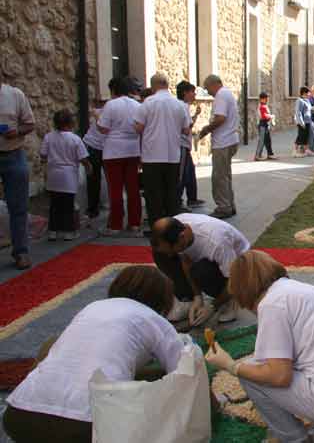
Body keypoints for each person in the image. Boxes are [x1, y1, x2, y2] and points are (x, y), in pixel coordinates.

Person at [204, 250, 314, 443]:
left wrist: (230, 366)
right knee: (265, 365)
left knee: (249, 373)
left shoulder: (272, 304)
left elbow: (279, 376)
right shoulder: (296, 289)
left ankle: (295, 439)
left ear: (243, 291)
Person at [3, 266, 183, 443]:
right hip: (85, 424)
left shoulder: (92, 308)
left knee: (52, 345)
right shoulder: (153, 319)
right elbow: (185, 371)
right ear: (162, 300)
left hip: (18, 416)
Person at [150, 213, 250, 325]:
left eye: (172, 250)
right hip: (207, 260)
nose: (170, 255)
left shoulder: (217, 243)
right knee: (160, 254)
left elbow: (234, 280)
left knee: (202, 270)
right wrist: (197, 296)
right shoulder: (176, 228)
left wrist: (213, 306)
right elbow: (186, 261)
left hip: (239, 268)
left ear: (182, 237)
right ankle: (186, 299)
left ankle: (228, 300)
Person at [134, 72, 191, 227]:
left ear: (154, 86)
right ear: (167, 84)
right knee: (172, 193)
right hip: (172, 155)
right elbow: (186, 130)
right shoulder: (179, 104)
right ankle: (171, 227)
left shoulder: (148, 103)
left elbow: (138, 127)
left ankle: (157, 227)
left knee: (154, 195)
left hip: (152, 155)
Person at [97, 77, 142, 236]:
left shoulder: (111, 104)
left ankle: (115, 224)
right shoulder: (137, 105)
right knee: (133, 188)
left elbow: (103, 127)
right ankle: (134, 222)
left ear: (113, 90)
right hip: (133, 149)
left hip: (114, 150)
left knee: (115, 189)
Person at [40, 110, 91, 241]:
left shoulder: (48, 137)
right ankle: (68, 231)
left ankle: (53, 231)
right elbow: (83, 158)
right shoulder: (75, 139)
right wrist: (88, 166)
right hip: (68, 175)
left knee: (54, 205)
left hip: (53, 174)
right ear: (71, 123)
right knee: (68, 205)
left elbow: (43, 155)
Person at [0, 83, 35, 269]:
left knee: (18, 206)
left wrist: (17, 132)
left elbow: (29, 124)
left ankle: (21, 251)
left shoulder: (14, 94)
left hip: (13, 153)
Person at [198, 75, 240, 220]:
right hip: (229, 139)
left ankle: (224, 207)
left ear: (214, 84)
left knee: (219, 177)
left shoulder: (221, 95)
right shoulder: (227, 94)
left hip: (223, 141)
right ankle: (229, 205)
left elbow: (220, 118)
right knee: (225, 175)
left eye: (207, 88)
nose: (207, 92)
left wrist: (206, 129)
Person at [176, 81, 204, 210]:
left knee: (190, 172)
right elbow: (186, 129)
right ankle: (178, 201)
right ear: (185, 93)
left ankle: (192, 198)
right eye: (192, 92)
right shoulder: (182, 107)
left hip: (185, 146)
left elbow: (187, 125)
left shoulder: (184, 107)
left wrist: (196, 115)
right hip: (181, 145)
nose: (194, 95)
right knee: (181, 175)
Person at [82, 94, 108, 220]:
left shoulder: (98, 112)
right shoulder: (99, 112)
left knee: (94, 178)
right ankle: (93, 208)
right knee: (94, 178)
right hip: (98, 146)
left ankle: (93, 208)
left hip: (99, 146)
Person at [255, 92, 277, 161]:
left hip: (265, 125)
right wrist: (271, 116)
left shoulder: (264, 105)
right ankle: (258, 155)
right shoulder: (262, 106)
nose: (267, 100)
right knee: (262, 141)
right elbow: (264, 116)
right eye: (266, 99)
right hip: (262, 125)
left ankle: (270, 154)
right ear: (261, 99)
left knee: (268, 140)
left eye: (267, 98)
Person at [293, 86, 312, 158]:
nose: (309, 94)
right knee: (300, 136)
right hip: (302, 122)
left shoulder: (307, 100)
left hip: (308, 121)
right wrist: (301, 122)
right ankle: (295, 151)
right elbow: (298, 112)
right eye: (308, 93)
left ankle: (306, 150)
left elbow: (309, 109)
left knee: (306, 136)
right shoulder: (299, 101)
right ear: (304, 93)